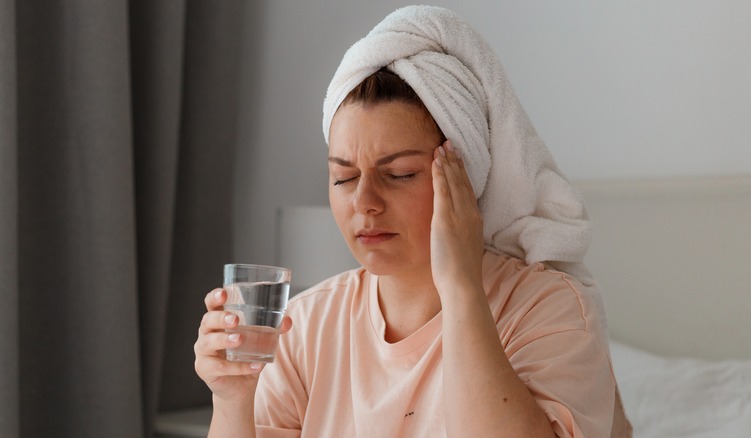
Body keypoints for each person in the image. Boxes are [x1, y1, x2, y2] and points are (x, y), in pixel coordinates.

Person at [195, 5, 632, 437]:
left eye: (399, 174)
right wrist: (232, 400)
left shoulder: (549, 310)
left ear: (465, 176)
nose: (364, 202)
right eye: (344, 177)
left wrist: (460, 288)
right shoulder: (305, 327)